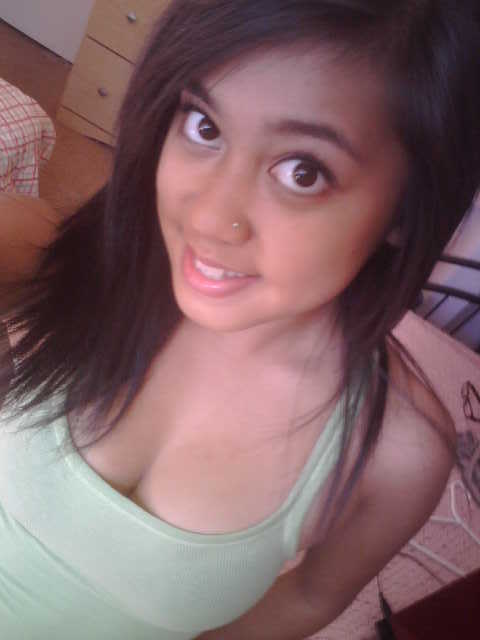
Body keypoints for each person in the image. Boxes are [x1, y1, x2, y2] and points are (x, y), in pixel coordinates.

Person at [0, 1, 479, 638]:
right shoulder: (74, 254)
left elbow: (308, 598)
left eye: (303, 171)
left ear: (407, 210)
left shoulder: (399, 454)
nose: (207, 218)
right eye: (204, 126)